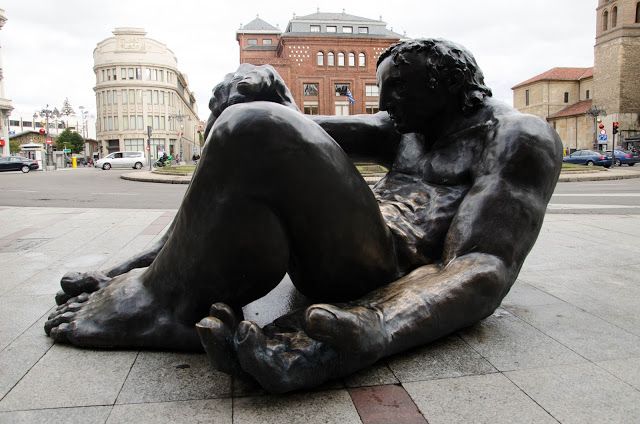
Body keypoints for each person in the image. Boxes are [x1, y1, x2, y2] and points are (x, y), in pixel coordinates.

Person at [45, 39, 562, 393]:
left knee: (255, 126)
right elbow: (293, 130)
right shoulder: (409, 125)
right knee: (247, 123)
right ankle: (156, 282)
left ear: (450, 86)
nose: (387, 104)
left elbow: (482, 263)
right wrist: (262, 88)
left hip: (386, 267)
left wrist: (377, 323)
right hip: (342, 245)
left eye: (400, 90)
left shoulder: (518, 138)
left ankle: (160, 306)